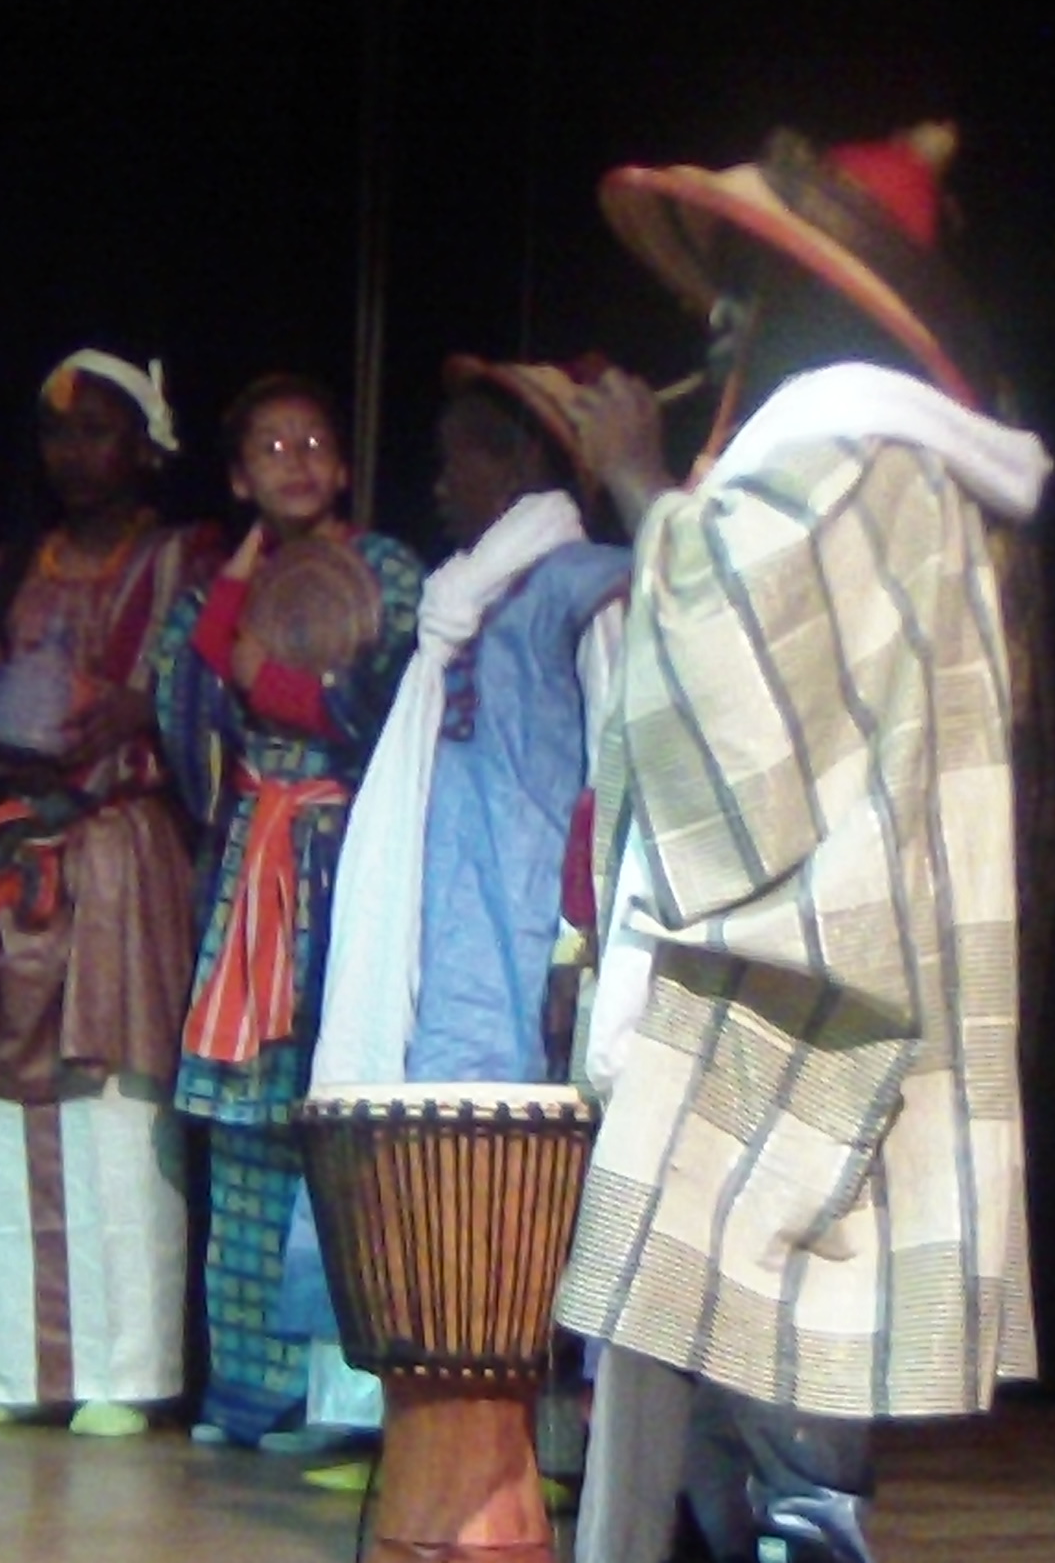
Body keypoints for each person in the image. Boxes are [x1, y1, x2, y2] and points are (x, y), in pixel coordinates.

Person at [554, 123, 1054, 1563]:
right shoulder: (848, 453)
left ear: (813, 296)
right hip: (793, 948)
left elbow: (745, 690)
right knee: (734, 1374)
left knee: (782, 1377)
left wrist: (646, 490)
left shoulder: (852, 454)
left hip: (807, 975)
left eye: (746, 282)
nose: (718, 316)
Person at [275, 354, 632, 1454]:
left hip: (533, 944)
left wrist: (593, 948)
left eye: (456, 459)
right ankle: (430, 1431)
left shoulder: (589, 589)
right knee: (434, 1177)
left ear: (523, 460)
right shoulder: (461, 602)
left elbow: (618, 776)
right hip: (447, 938)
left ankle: (547, 1449)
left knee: (537, 1192)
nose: (436, 485)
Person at [0, 349, 221, 1437]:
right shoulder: (14, 565)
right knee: (15, 1103)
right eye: (60, 432)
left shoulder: (178, 563)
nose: (75, 453)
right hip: (20, 855)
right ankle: (10, 1367)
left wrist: (116, 721)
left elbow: (188, 704)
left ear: (146, 446)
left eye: (99, 430)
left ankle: (124, 1365)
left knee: (112, 1098)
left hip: (113, 848)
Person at [151, 372, 423, 1449]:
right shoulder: (210, 592)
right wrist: (239, 617)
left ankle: (343, 1394)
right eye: (271, 447)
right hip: (253, 862)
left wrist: (272, 681)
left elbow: (381, 697)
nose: (297, 460)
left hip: (345, 856)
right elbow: (186, 705)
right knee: (245, 1129)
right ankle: (249, 1389)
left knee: (339, 1114)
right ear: (235, 474)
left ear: (346, 464)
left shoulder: (387, 573)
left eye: (315, 441)